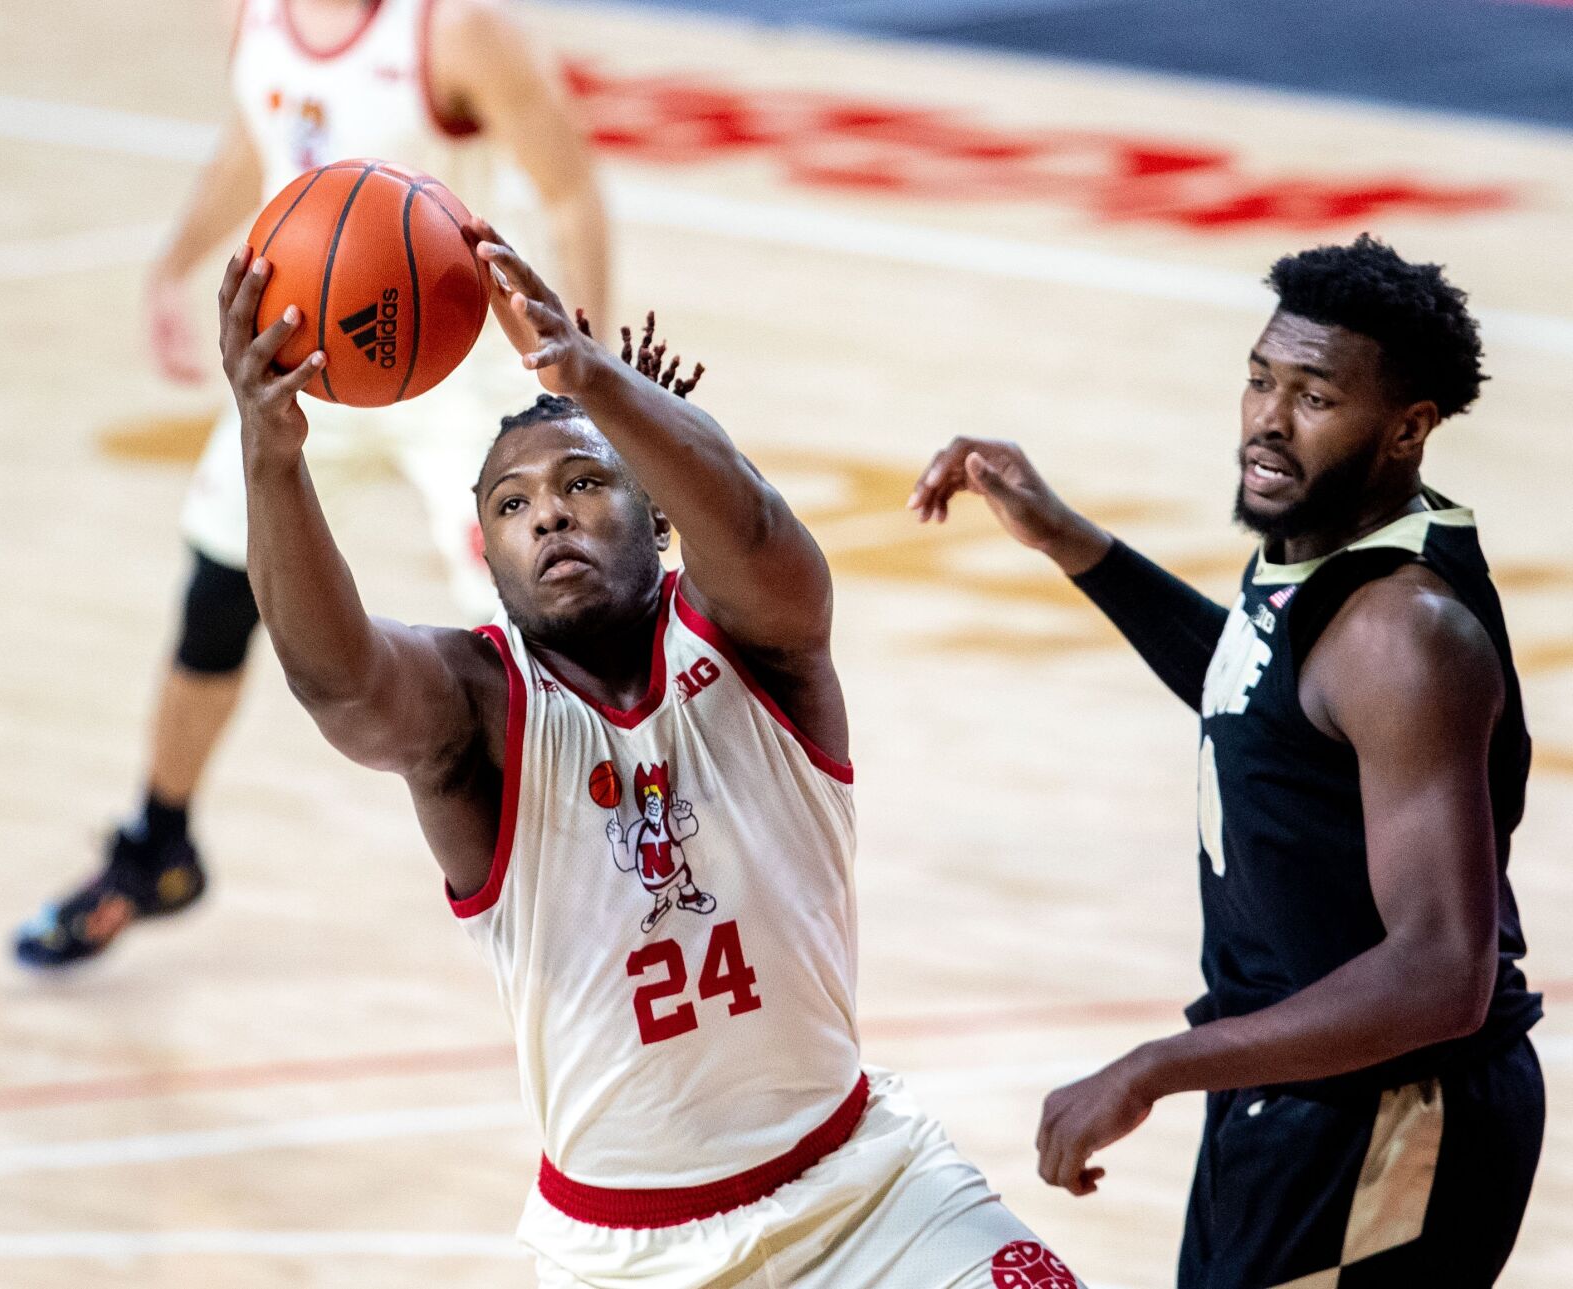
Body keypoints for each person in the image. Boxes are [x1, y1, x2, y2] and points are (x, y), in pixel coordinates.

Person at [203, 225, 1086, 1288]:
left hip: (870, 1191)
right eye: (512, 504)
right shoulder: (479, 711)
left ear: (656, 513)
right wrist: (271, 447)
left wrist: (596, 380)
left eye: (585, 482)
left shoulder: (758, 638)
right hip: (631, 1257)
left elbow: (755, 527)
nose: (550, 517)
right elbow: (337, 680)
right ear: (486, 552)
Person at [909, 235, 1542, 1287]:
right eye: (1260, 378)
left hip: (1392, 1114)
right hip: (1305, 1078)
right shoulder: (1329, 540)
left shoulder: (1403, 632)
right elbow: (1267, 698)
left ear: (1408, 427)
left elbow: (1441, 974)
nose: (1268, 421)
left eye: (1314, 397)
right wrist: (1075, 545)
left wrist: (1156, 1065)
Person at [14, 0, 608, 967]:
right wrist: (175, 260)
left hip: (457, 371)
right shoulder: (252, 17)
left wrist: (584, 368)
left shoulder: (454, 32)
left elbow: (573, 190)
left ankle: (628, 852)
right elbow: (261, 147)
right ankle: (160, 847)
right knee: (215, 592)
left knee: (557, 623)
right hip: (310, 369)